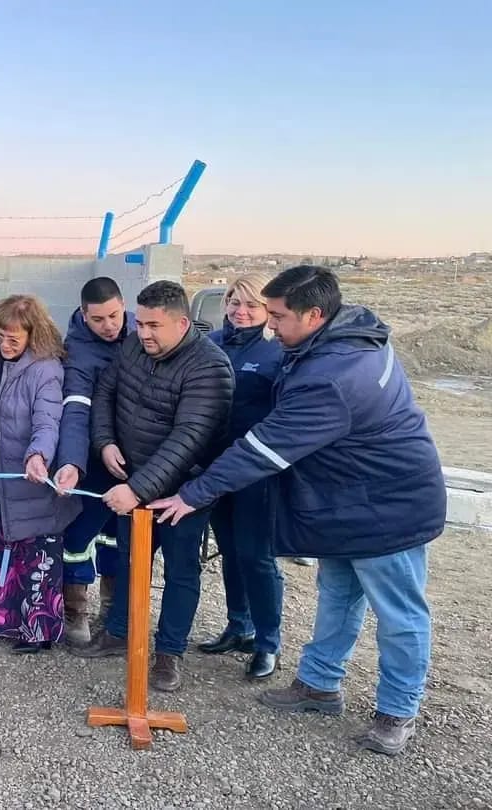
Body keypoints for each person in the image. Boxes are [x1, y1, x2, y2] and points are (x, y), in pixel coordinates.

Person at [148, 265, 446, 756]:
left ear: (314, 314)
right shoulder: (332, 341)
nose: (270, 325)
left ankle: (397, 710)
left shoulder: (335, 375)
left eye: (280, 316)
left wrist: (192, 494)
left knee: (399, 613)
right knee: (337, 593)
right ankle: (319, 683)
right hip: (347, 501)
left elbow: (264, 449)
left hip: (388, 506)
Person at [73, 281, 234, 696]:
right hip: (135, 482)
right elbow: (106, 391)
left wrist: (138, 490)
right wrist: (104, 441)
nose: (143, 333)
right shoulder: (133, 347)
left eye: (153, 326)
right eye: (139, 323)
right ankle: (119, 631)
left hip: (183, 495)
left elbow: (189, 439)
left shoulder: (209, 367)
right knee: (129, 561)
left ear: (181, 323)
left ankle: (169, 653)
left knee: (181, 572)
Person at [195, 274, 285, 680]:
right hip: (215, 469)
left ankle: (268, 642)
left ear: (267, 310)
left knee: (256, 556)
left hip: (255, 473)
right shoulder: (210, 344)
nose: (241, 311)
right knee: (230, 551)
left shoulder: (276, 352)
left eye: (251, 304)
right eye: (234, 302)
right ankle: (239, 625)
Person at [0, 295, 80, 654]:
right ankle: (1, 618)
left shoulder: (46, 369)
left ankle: (37, 630)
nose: (4, 344)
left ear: (32, 336)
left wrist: (38, 455)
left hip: (34, 482)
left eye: (13, 339)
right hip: (5, 481)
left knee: (36, 559)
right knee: (4, 550)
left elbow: (48, 421)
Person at [52, 277, 131, 645]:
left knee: (119, 536)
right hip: (91, 459)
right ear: (84, 315)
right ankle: (75, 610)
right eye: (98, 319)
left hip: (134, 461)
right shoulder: (78, 351)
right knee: (79, 535)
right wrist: (70, 461)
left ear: (123, 305)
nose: (108, 325)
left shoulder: (139, 335)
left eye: (114, 315)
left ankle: (113, 610)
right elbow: (75, 410)